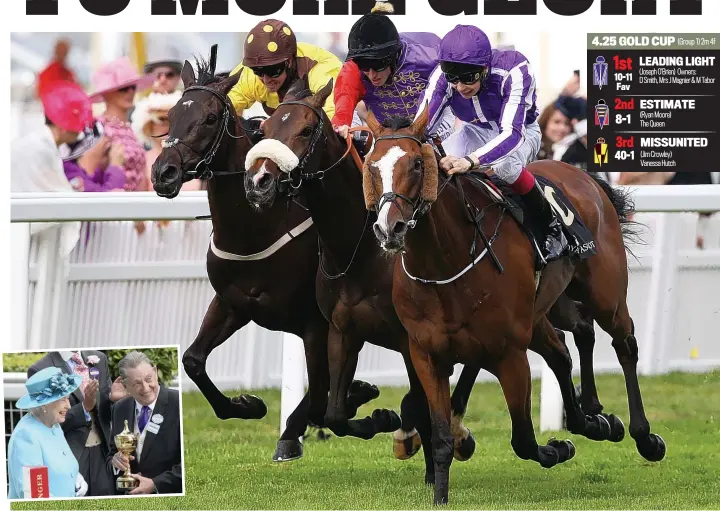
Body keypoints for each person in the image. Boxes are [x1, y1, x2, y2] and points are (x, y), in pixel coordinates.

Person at [419, 24, 566, 262]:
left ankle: (550, 226)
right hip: (474, 130)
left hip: (521, 131)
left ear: (485, 68)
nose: (459, 86)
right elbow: (421, 125)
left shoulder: (515, 70)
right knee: (441, 164)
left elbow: (511, 134)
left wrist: (470, 161)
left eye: (468, 78)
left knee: (505, 165)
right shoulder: (441, 77)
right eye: (453, 78)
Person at [331, 1, 454, 141]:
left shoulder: (431, 53)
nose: (371, 75)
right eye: (364, 67)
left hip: (435, 120)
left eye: (378, 65)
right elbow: (345, 96)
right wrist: (341, 124)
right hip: (385, 132)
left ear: (394, 55)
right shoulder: (354, 66)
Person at [27, 351, 126, 497]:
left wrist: (111, 399)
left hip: (103, 452)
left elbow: (104, 408)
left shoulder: (100, 358)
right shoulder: (40, 368)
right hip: (71, 454)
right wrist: (84, 408)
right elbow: (46, 423)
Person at [228, 19, 341, 119]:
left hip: (343, 116)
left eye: (272, 71)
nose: (266, 80)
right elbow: (221, 106)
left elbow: (334, 114)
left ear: (289, 61)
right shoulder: (251, 74)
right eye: (258, 72)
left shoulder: (319, 67)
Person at [107, 351, 182, 495]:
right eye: (137, 383)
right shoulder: (119, 408)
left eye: (148, 379)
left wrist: (155, 484)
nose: (146, 388)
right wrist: (115, 462)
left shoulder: (178, 402)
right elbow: (111, 454)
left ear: (155, 371)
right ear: (126, 385)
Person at [8, 367, 88, 498]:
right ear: (45, 404)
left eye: (68, 398)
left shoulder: (54, 424)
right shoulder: (27, 436)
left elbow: (60, 466)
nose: (68, 405)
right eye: (63, 399)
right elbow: (36, 496)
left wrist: (76, 477)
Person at [89, 56, 154, 193]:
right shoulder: (98, 128)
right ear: (106, 94)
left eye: (133, 87)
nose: (131, 92)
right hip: (113, 206)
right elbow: (89, 174)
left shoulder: (131, 128)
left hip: (139, 209)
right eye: (123, 88)